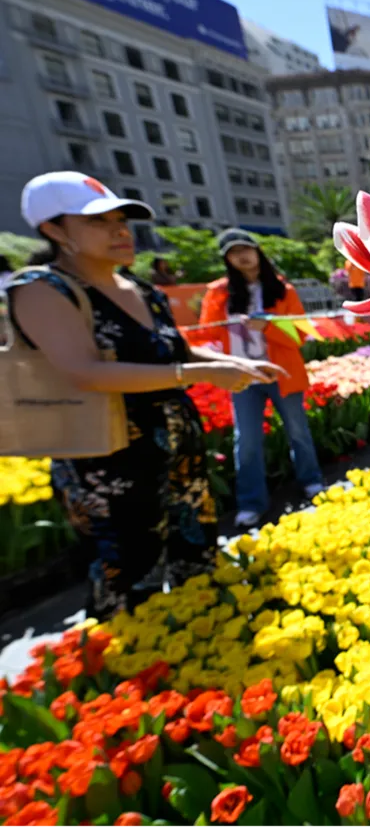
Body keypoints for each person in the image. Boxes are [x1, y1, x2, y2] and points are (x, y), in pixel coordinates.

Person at [7, 172, 278, 618]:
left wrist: (229, 364)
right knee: (132, 577)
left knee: (198, 560)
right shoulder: (41, 290)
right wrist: (192, 372)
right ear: (54, 231)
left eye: (121, 220)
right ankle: (141, 677)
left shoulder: (141, 290)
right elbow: (84, 372)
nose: (120, 231)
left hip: (177, 452)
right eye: (98, 222)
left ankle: (202, 647)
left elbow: (171, 346)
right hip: (111, 461)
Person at [190, 229, 324, 528]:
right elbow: (207, 332)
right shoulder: (219, 293)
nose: (242, 255)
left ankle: (311, 481)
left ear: (258, 251)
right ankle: (252, 503)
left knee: (298, 431)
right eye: (233, 251)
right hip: (242, 377)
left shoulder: (282, 290)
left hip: (281, 373)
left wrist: (267, 329)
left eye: (246, 248)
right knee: (246, 441)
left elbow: (299, 336)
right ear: (227, 259)